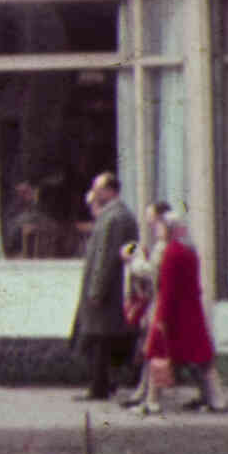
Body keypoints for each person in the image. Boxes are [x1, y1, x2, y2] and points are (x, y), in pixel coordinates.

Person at [136, 202, 225, 414]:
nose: (157, 230)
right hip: (192, 312)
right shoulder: (190, 251)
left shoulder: (170, 253)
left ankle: (152, 401)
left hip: (171, 313)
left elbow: (166, 288)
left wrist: (161, 318)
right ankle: (217, 399)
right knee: (203, 359)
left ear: (168, 229)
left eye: (160, 226)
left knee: (157, 355)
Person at [72, 172, 140, 402]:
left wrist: (96, 290)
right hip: (112, 289)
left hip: (109, 291)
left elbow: (105, 256)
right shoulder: (115, 215)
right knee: (102, 339)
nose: (94, 192)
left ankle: (99, 387)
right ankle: (105, 383)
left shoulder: (114, 218)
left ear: (110, 191)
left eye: (98, 188)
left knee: (99, 338)